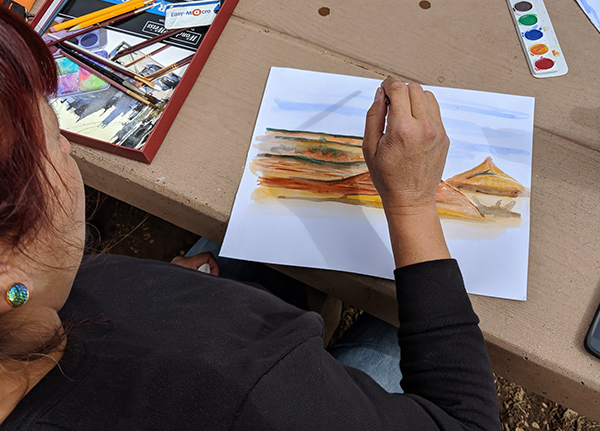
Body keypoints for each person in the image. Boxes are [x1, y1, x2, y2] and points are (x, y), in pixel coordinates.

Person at [0, 6, 501, 430]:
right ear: (8, 279)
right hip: (263, 375)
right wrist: (412, 201)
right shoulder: (243, 393)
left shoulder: (31, 311)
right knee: (392, 324)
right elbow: (464, 419)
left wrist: (157, 295)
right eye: (52, 144)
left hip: (209, 328)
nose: (67, 146)